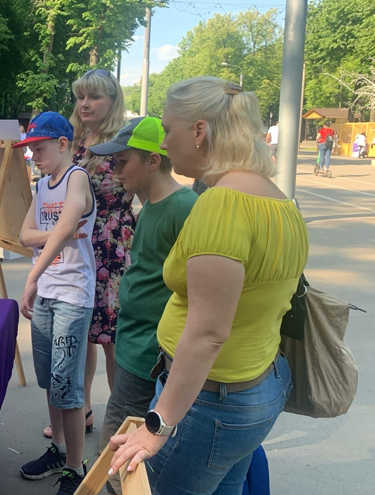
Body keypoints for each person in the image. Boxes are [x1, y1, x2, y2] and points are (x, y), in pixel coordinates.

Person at [108, 77, 309, 495]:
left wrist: (158, 425)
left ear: (199, 131)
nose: (164, 143)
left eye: (168, 130)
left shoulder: (221, 204)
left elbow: (207, 333)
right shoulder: (280, 201)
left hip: (209, 402)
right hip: (255, 387)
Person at [88, 116, 197, 494]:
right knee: (115, 446)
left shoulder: (185, 207)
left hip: (149, 351)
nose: (115, 170)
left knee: (120, 457)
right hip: (132, 345)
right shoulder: (149, 203)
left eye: (122, 161)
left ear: (153, 161)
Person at [42, 68, 134, 439]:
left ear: (113, 100)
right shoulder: (75, 140)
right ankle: (82, 413)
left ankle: (121, 423)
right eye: (80, 96)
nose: (84, 103)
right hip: (78, 246)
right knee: (81, 335)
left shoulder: (124, 142)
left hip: (112, 250)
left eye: (94, 96)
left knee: (113, 341)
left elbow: (147, 192)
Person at [16, 112, 97, 495]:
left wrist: (33, 274)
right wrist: (57, 234)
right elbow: (25, 235)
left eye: (39, 149)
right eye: (31, 150)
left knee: (68, 385)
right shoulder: (42, 185)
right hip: (46, 294)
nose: (34, 157)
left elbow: (67, 226)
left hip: (71, 295)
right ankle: (59, 450)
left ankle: (75, 468)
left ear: (63, 144)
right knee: (50, 380)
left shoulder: (75, 177)